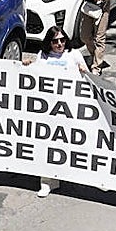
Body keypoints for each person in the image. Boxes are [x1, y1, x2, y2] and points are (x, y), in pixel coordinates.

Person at [26, 26, 90, 198]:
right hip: (49, 110)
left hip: (70, 109)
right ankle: (47, 182)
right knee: (48, 146)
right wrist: (26, 66)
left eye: (62, 40)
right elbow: (34, 77)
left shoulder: (74, 54)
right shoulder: (43, 56)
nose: (60, 44)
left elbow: (89, 79)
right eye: (55, 41)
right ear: (49, 42)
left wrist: (84, 72)